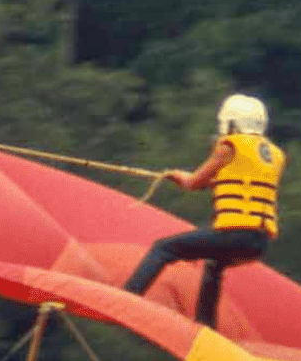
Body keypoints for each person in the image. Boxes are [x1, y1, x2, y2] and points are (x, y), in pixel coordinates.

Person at [122, 93, 285, 329]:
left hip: (234, 234)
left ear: (231, 123)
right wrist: (181, 178)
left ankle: (128, 298)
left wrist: (176, 176)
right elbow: (224, 181)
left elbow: (194, 183)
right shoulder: (273, 155)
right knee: (214, 264)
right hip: (258, 242)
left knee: (163, 248)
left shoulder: (229, 146)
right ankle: (205, 324)